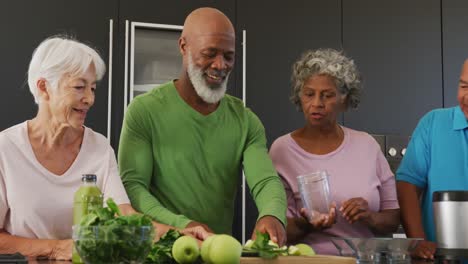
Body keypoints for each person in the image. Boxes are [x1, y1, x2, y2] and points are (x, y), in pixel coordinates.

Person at [0, 36, 207, 260]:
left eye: (93, 88)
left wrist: (178, 235)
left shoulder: (99, 147)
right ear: (44, 88)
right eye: (79, 87)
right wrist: (57, 247)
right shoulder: (6, 148)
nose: (89, 98)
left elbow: (123, 215)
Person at [118, 7, 287, 244]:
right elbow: (133, 188)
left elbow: (265, 181)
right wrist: (184, 225)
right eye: (210, 53)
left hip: (217, 252)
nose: (220, 65)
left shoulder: (246, 121)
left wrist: (272, 215)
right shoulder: (144, 111)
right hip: (159, 250)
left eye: (229, 56)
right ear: (183, 47)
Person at [269, 48, 400, 255]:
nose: (316, 104)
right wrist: (307, 223)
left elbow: (393, 219)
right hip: (307, 260)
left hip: (363, 259)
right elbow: (276, 229)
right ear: (299, 96)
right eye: (309, 94)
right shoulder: (282, 150)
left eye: (327, 95)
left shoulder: (367, 145)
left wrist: (370, 217)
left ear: (345, 99)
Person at [396, 59, 468, 260]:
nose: (467, 97)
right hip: (441, 258)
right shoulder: (434, 123)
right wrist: (418, 241)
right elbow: (407, 184)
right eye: (464, 86)